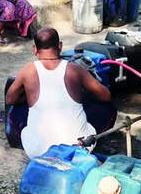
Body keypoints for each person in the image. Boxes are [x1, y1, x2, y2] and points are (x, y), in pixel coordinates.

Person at [6, 28, 112, 158]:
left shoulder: (28, 70)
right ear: (60, 46)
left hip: (37, 152)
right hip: (77, 150)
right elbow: (106, 95)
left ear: (34, 49)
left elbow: (10, 99)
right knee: (108, 107)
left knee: (15, 111)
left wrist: (28, 97)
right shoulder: (74, 69)